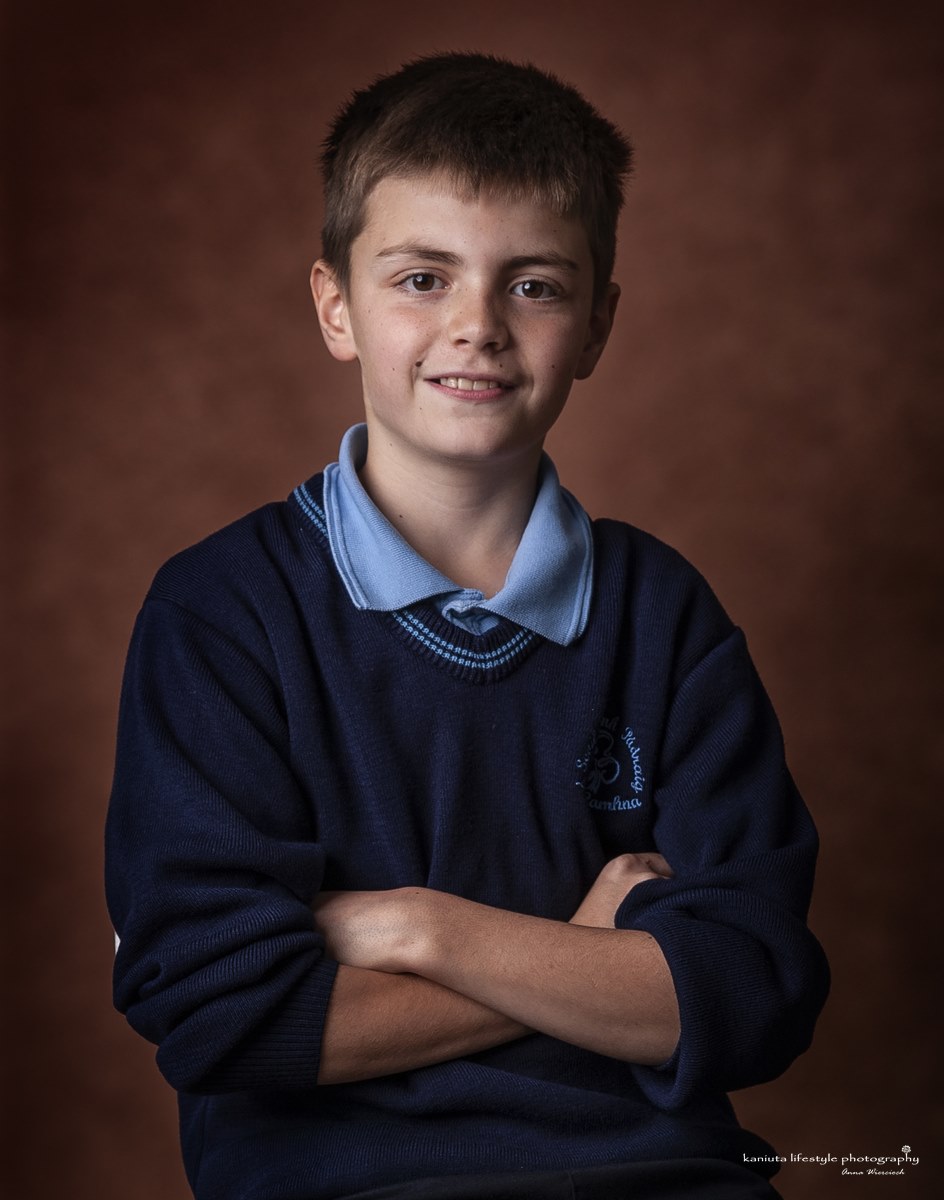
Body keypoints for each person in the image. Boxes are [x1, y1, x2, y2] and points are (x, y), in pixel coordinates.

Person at [105, 53, 829, 1200]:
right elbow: (221, 1016)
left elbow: (747, 997)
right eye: (421, 278)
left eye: (532, 285)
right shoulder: (221, 614)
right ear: (335, 307)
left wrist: (421, 929)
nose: (477, 326)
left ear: (596, 326)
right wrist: (583, 950)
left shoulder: (663, 615)